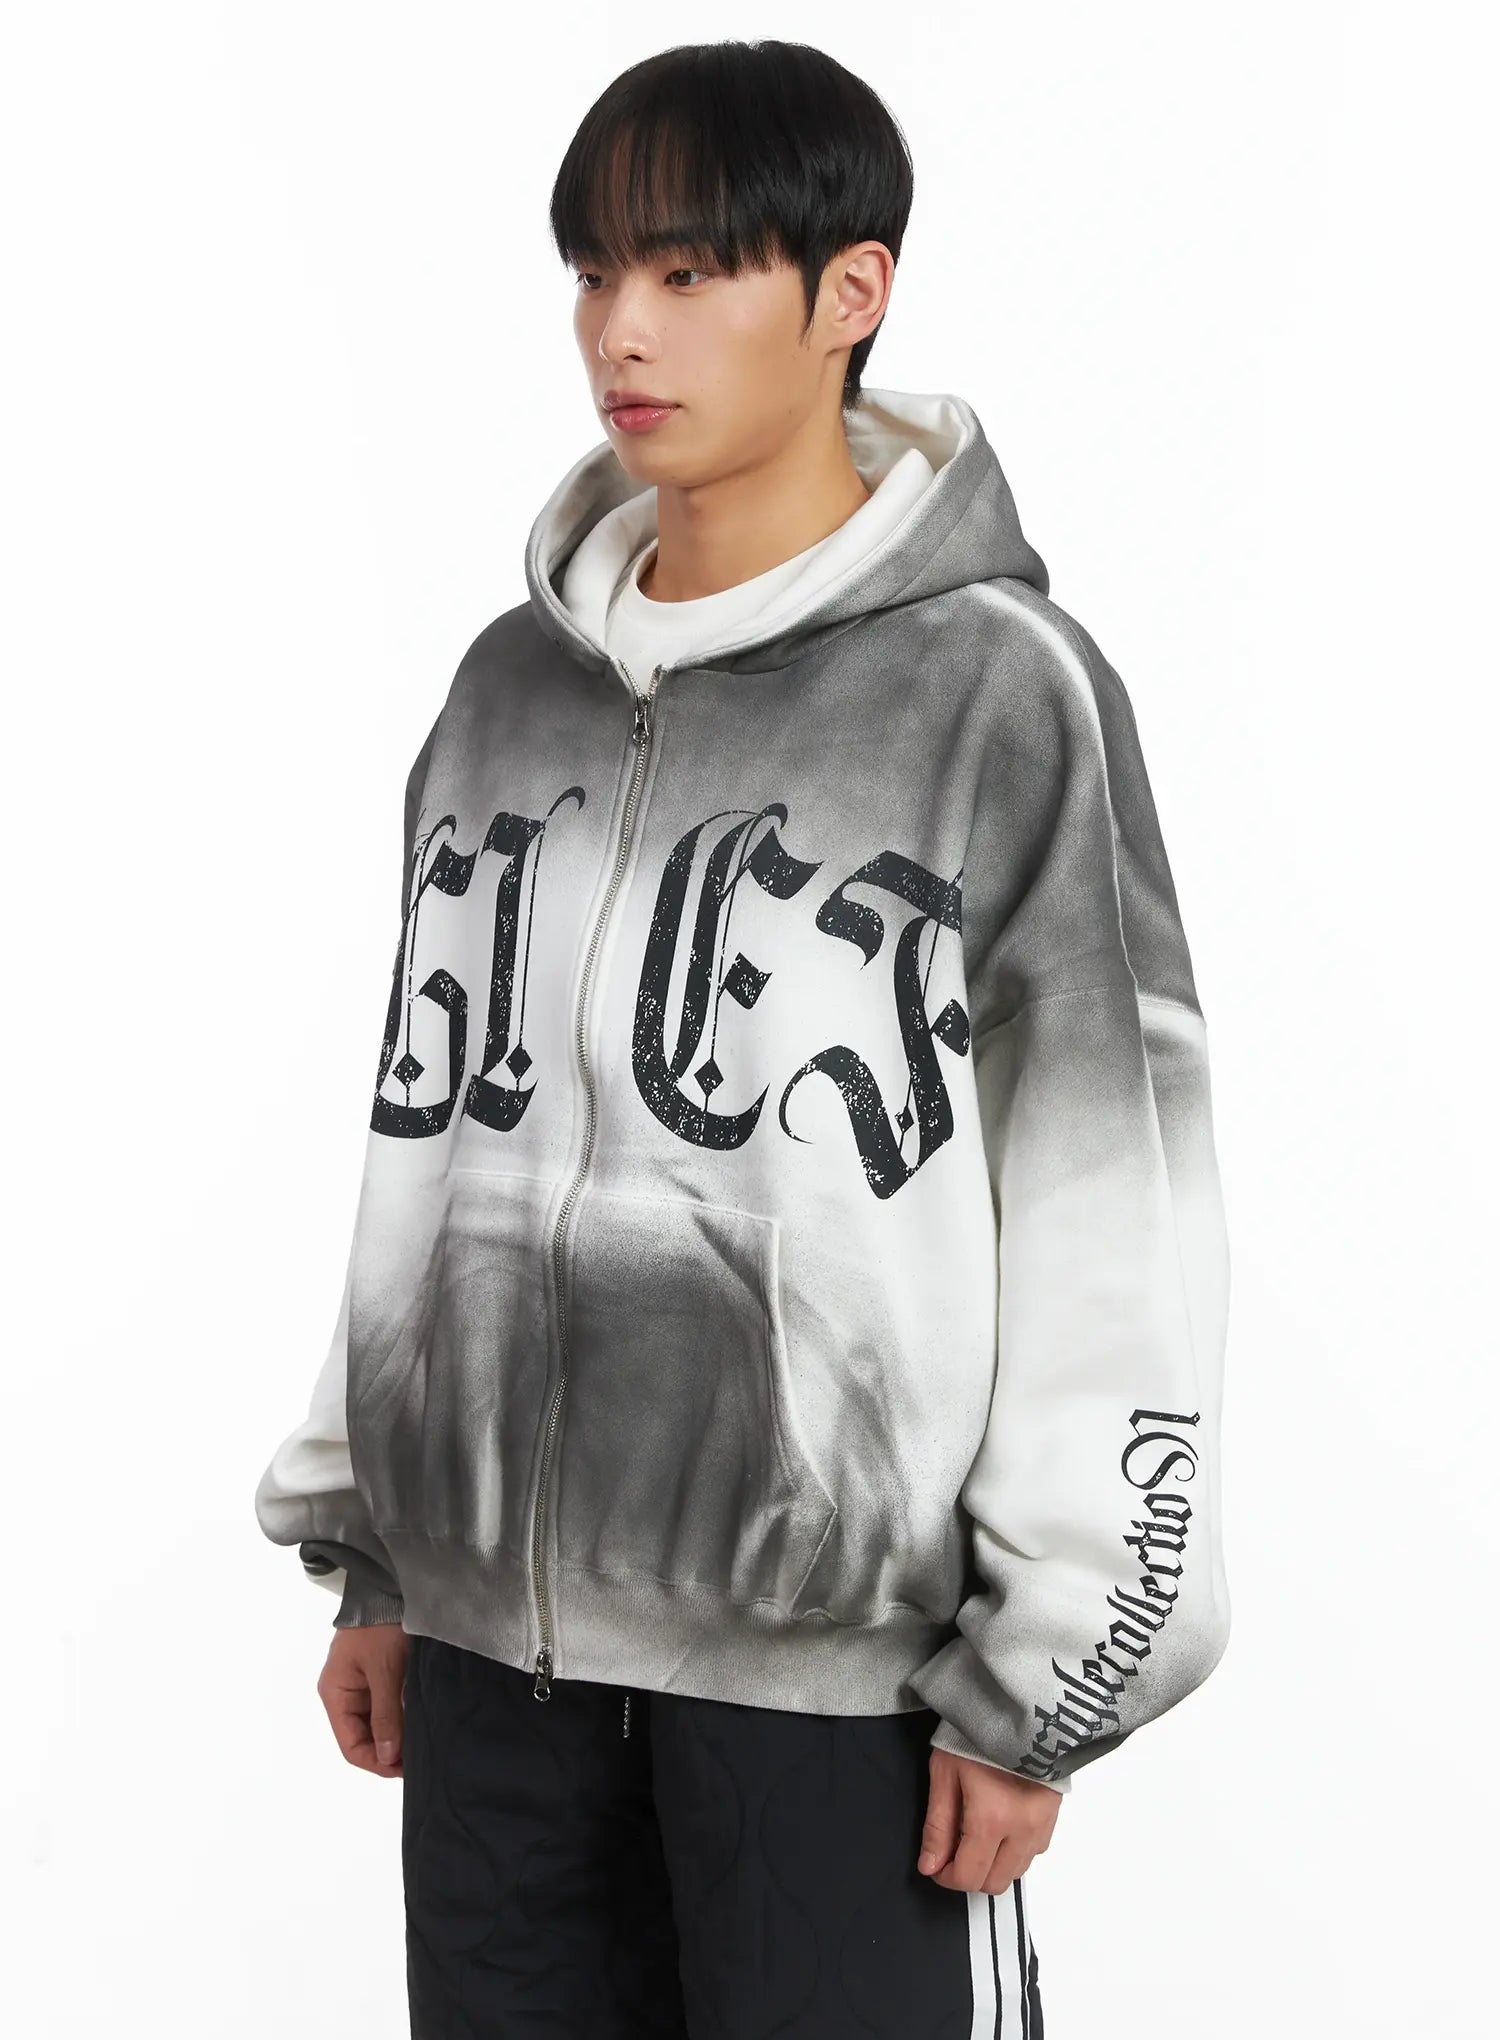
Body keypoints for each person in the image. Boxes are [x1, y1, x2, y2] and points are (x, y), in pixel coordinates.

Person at [255, 36, 1231, 2037]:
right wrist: (383, 1556)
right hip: (497, 1676)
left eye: (691, 272)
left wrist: (1053, 1673)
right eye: (596, 272)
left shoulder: (1000, 701)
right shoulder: (507, 692)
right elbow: (430, 1131)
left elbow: (1110, 1206)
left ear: (851, 291)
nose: (623, 328)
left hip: (837, 1700)